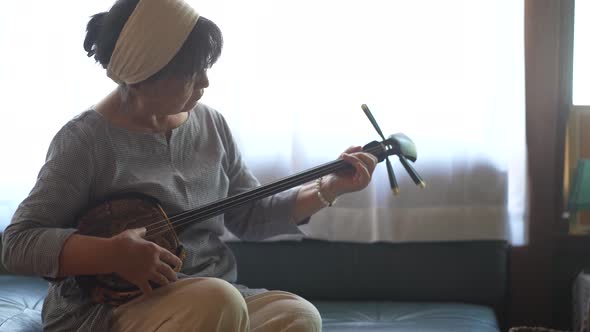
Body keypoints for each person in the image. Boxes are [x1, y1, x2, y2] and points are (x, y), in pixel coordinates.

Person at [1, 0, 378, 331]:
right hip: (113, 308)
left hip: (209, 295)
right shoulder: (85, 142)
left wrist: (329, 188)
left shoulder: (211, 124)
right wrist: (112, 254)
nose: (206, 82)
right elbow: (16, 244)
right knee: (217, 302)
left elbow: (248, 215)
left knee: (297, 316)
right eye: (191, 73)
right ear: (143, 76)